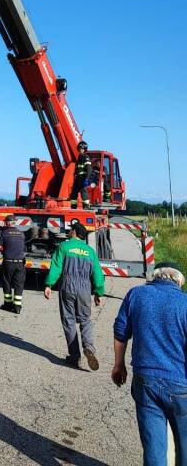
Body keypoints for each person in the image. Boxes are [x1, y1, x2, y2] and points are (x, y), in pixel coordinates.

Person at [112, 262, 187, 466]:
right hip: (181, 385)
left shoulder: (136, 295)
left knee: (154, 448)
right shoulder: (185, 302)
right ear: (179, 281)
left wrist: (119, 366)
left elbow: (120, 332)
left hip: (146, 381)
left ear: (153, 277)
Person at [44, 220, 104, 369]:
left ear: (75, 233)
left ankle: (75, 357)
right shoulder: (90, 252)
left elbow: (56, 267)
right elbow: (97, 273)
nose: (69, 232)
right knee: (85, 319)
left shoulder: (64, 246)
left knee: (69, 320)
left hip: (68, 286)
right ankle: (89, 346)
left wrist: (48, 284)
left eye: (71, 230)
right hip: (85, 287)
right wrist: (98, 292)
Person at [0, 214, 26, 314]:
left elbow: (0, 247)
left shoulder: (4, 233)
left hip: (8, 263)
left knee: (7, 283)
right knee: (19, 285)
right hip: (20, 263)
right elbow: (23, 248)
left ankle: (8, 304)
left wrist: (3, 250)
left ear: (8, 222)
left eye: (6, 222)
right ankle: (17, 307)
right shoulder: (21, 234)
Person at [70, 140, 93, 209]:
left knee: (84, 192)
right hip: (78, 178)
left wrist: (86, 179)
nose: (81, 150)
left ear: (85, 149)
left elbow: (89, 169)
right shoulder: (79, 158)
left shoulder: (86, 157)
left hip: (83, 177)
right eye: (80, 149)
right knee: (74, 192)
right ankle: (73, 206)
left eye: (82, 149)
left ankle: (86, 206)